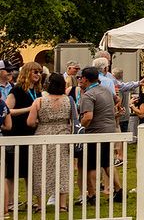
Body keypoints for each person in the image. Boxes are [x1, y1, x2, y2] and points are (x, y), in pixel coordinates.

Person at [75, 67, 122, 203]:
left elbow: (88, 117)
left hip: (94, 133)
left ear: (85, 79)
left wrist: (80, 125)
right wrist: (113, 113)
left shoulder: (88, 95)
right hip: (108, 130)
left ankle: (91, 194)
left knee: (88, 165)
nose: (79, 80)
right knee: (107, 163)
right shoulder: (106, 91)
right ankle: (118, 190)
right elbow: (117, 99)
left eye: (80, 78)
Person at [30, 73, 73, 210]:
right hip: (63, 135)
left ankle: (41, 204)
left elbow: (30, 122)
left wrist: (38, 121)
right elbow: (73, 118)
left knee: (40, 170)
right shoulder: (68, 100)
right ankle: (62, 204)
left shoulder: (39, 101)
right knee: (63, 169)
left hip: (42, 136)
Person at [3, 63, 41, 211]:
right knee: (12, 172)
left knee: (29, 171)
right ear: (27, 73)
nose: (37, 74)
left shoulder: (37, 91)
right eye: (34, 72)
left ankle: (29, 200)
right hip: (16, 133)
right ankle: (11, 202)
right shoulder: (17, 90)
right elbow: (8, 110)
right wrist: (29, 109)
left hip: (31, 133)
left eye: (39, 72)